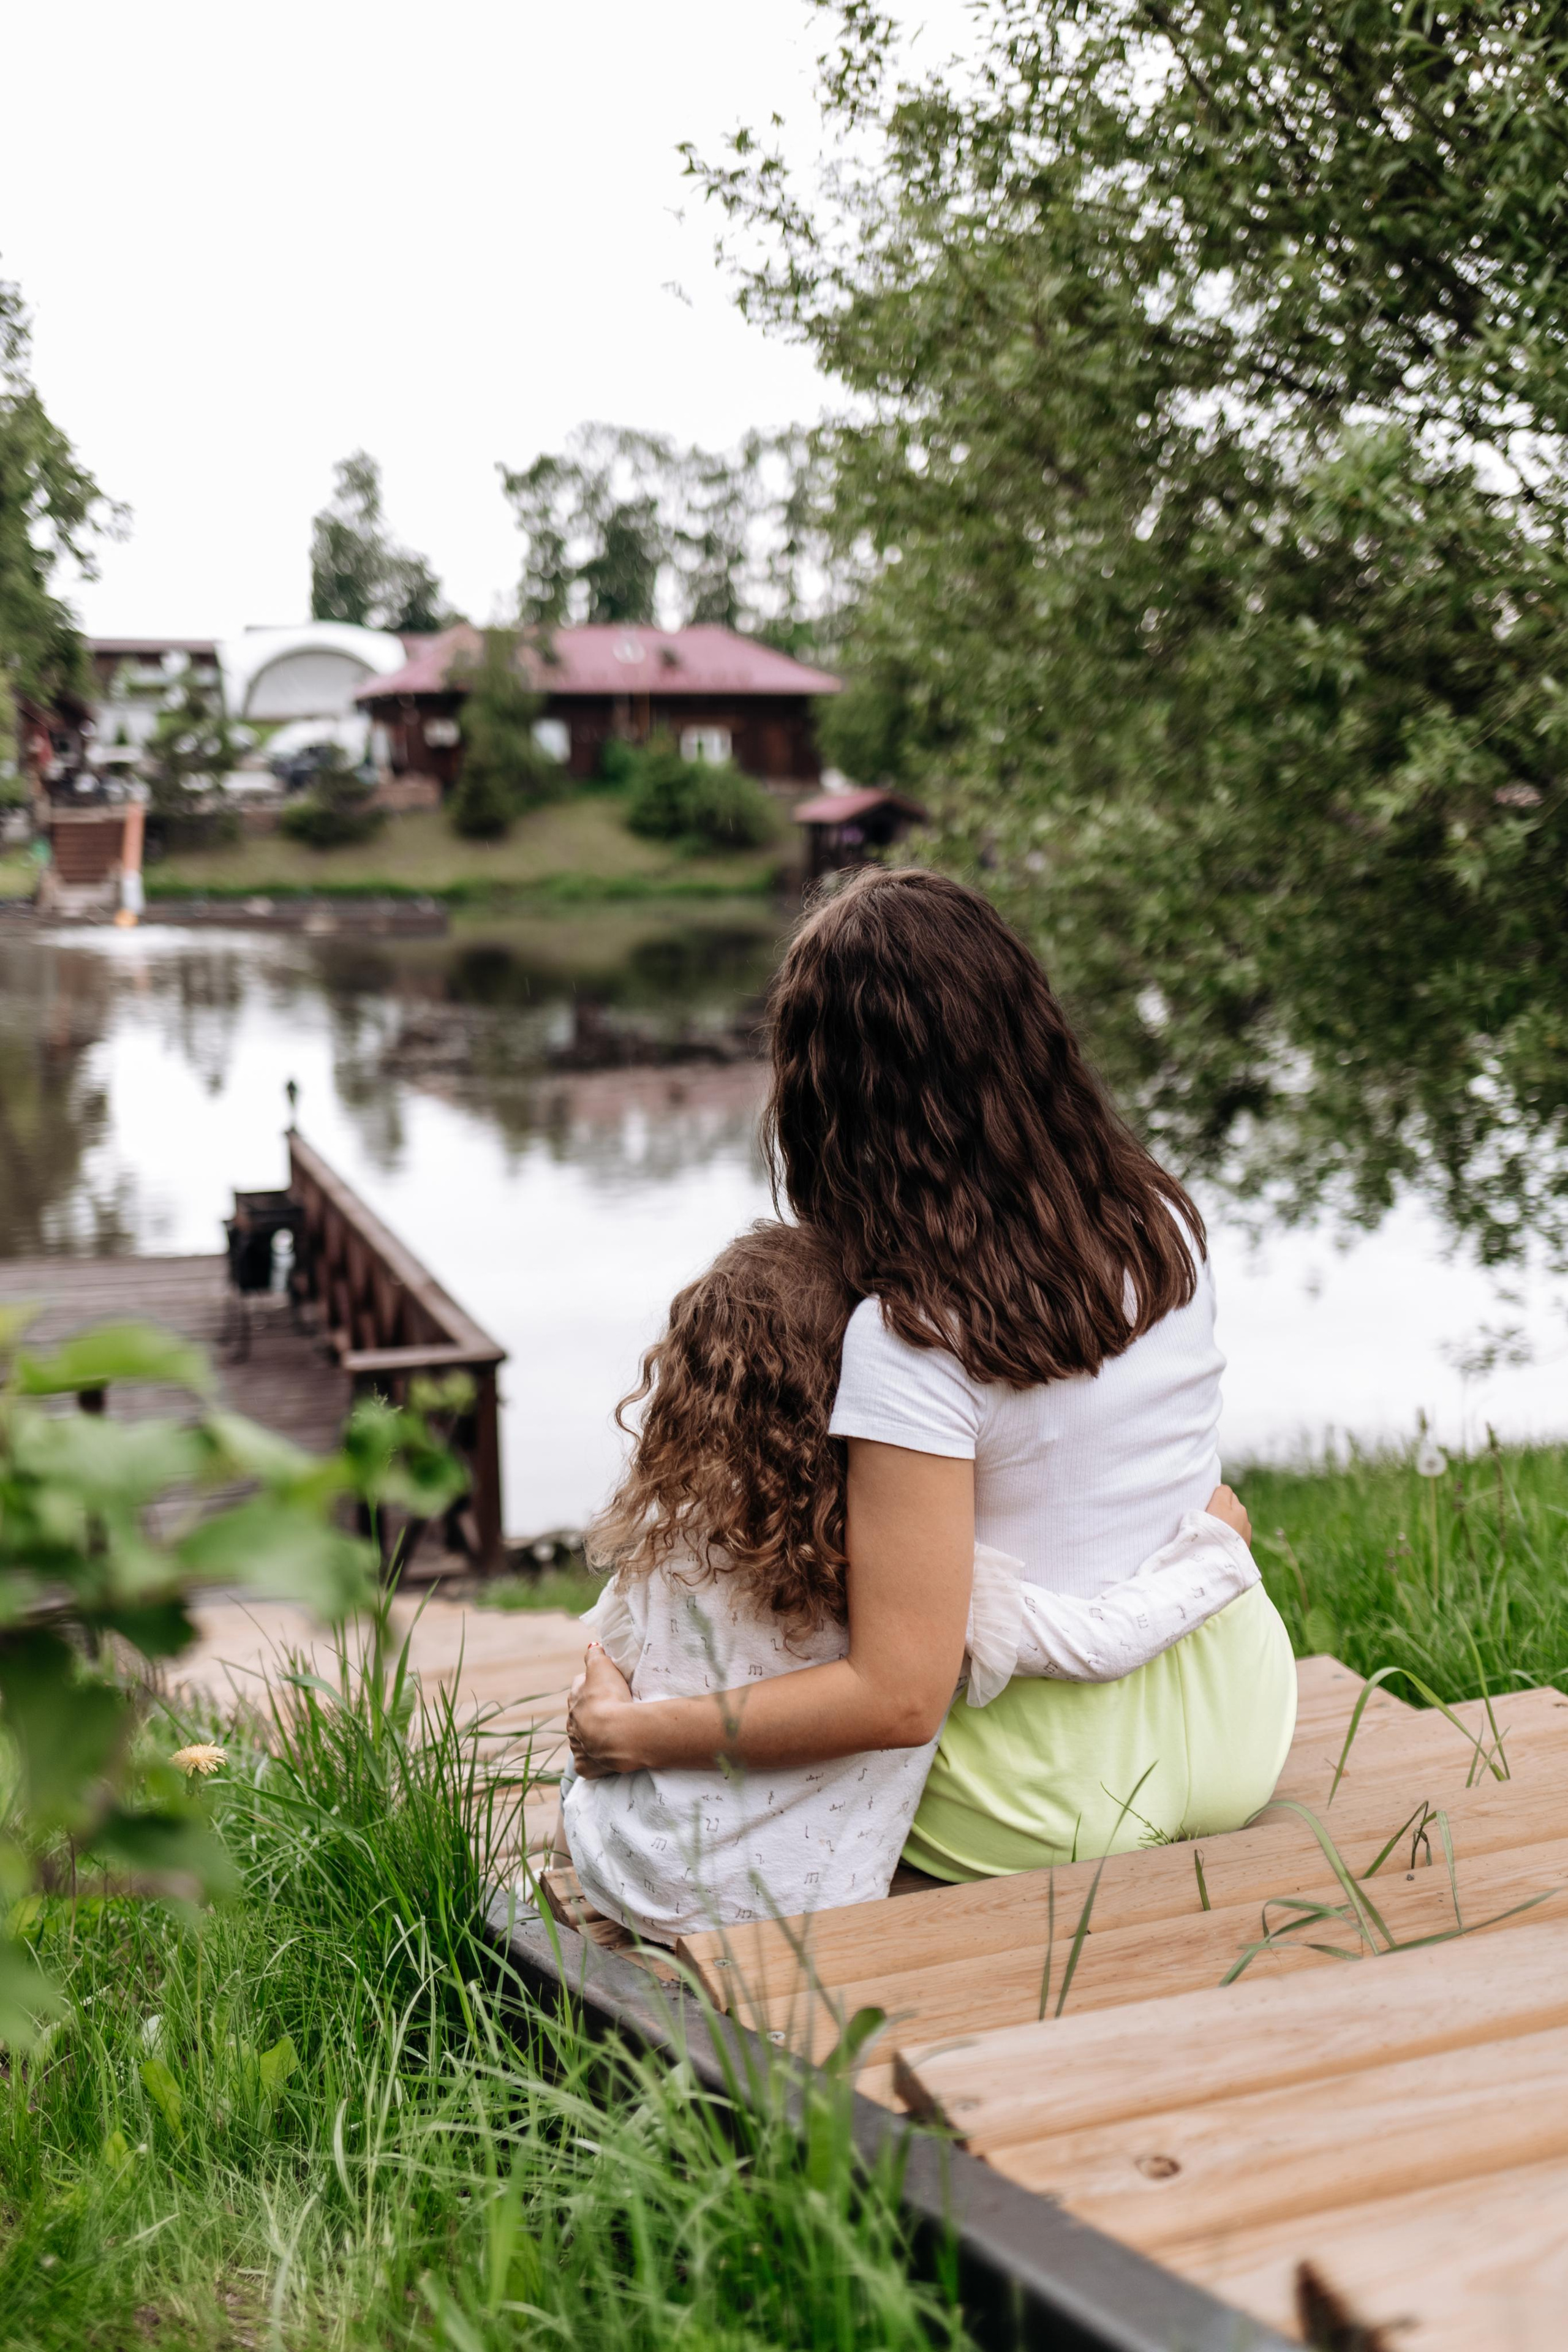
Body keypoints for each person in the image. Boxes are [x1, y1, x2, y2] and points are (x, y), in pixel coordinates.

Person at [568, 869, 1297, 1894]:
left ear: (830, 1099)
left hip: (1041, 1800)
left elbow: (899, 1699)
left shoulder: (913, 1340)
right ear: (1028, 1036)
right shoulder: (1160, 1225)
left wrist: (638, 1736)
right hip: (1239, 1720)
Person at [563, 1221, 1262, 1943]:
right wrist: (1214, 1560)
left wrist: (605, 1697)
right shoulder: (906, 1575)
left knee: (589, 1787)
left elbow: (610, 1645)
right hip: (806, 1908)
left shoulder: (674, 1529)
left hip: (632, 1874)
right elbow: (1098, 1643)